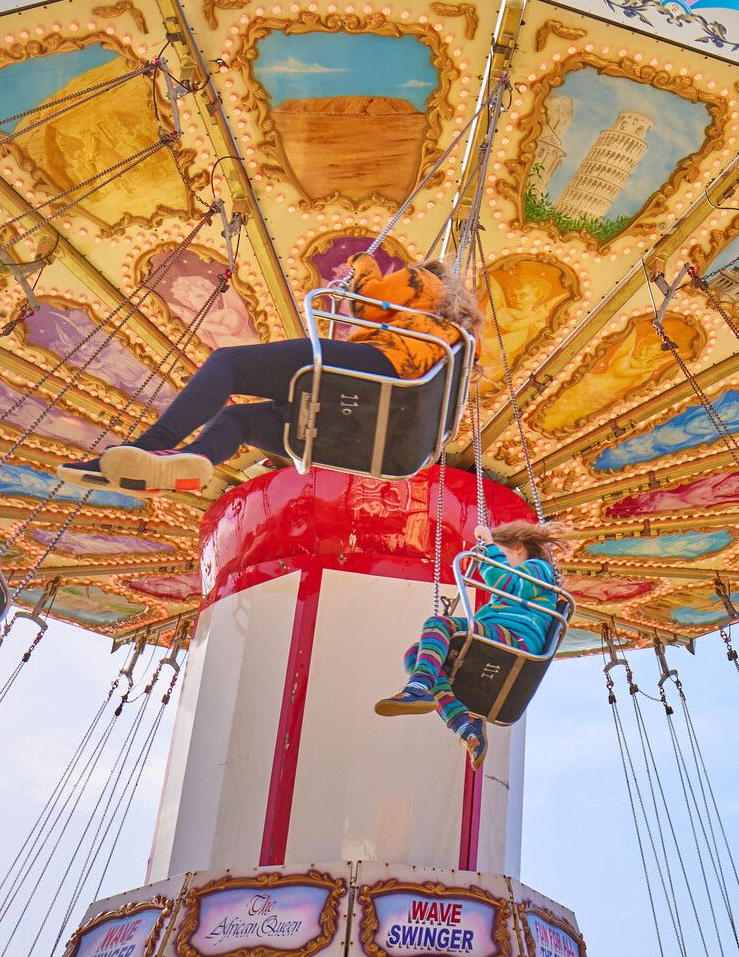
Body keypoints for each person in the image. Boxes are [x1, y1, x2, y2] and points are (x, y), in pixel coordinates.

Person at [67, 252, 477, 492]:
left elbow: (366, 304)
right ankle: (190, 462)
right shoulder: (453, 343)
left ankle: (150, 445)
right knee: (237, 419)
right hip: (378, 438)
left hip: (376, 374)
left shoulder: (423, 283)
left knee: (230, 364)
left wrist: (364, 265)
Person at [374, 520, 565, 766]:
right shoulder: (507, 598)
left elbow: (505, 582)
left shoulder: (539, 569)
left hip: (516, 639)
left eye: (501, 553)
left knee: (439, 624)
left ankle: (419, 687)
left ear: (518, 547)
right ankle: (465, 725)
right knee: (415, 653)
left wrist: (488, 544)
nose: (496, 559)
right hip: (500, 635)